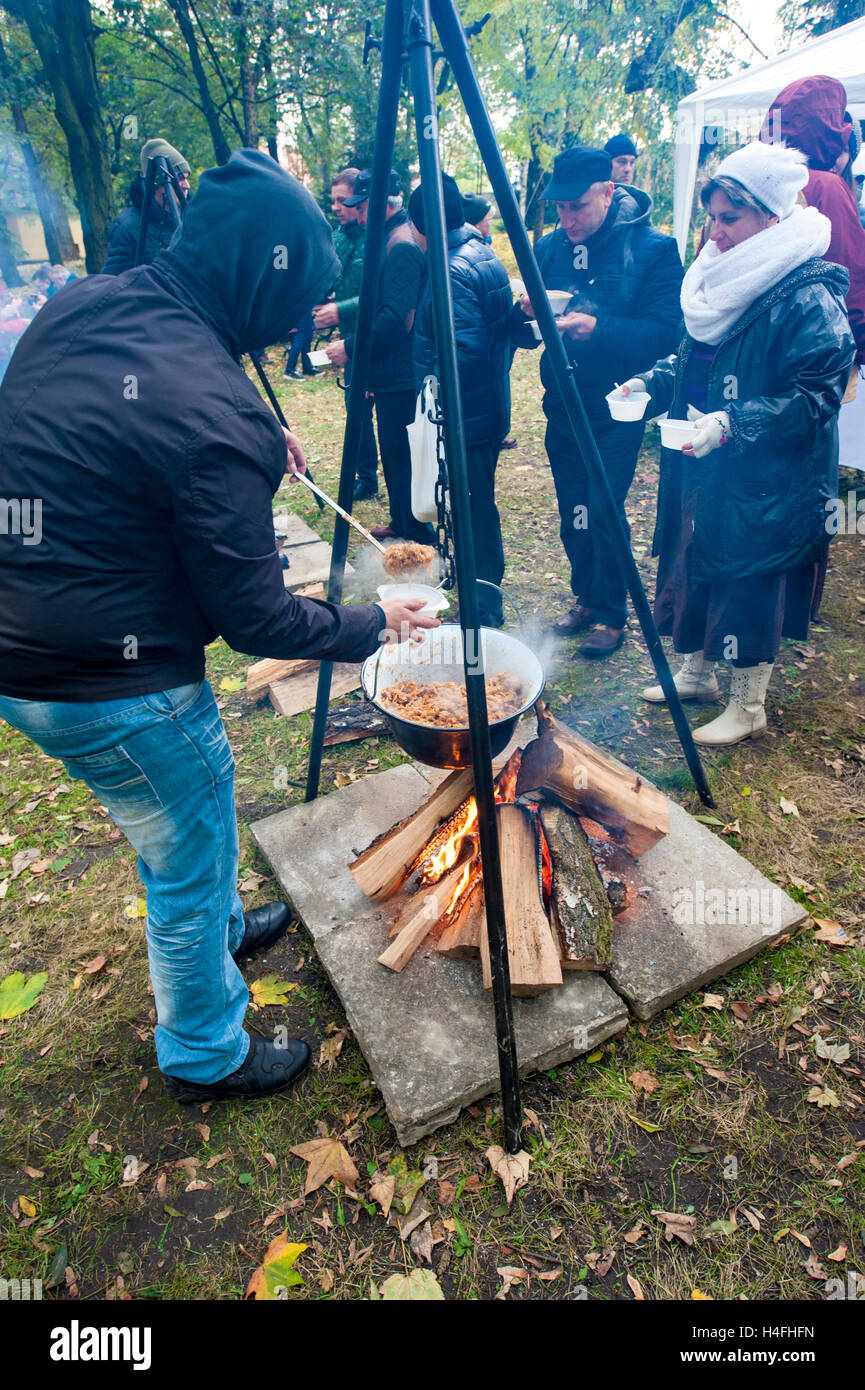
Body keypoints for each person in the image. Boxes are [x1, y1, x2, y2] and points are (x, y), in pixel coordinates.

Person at [0, 150, 437, 1103]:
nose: (293, 325)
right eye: (297, 301)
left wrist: (238, 435)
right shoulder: (212, 408)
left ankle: (221, 925)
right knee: (185, 856)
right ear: (260, 271)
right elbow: (253, 617)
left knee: (180, 829)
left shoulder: (88, 302)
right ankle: (204, 1049)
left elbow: (109, 433)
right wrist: (373, 622)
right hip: (112, 683)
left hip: (19, 643)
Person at [610, 141, 855, 746]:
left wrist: (732, 422)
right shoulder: (721, 274)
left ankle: (749, 705)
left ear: (772, 216)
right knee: (696, 557)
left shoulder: (805, 291)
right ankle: (698, 672)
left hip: (766, 470)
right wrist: (653, 379)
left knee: (749, 576)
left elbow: (817, 397)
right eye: (712, 217)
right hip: (704, 454)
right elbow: (696, 354)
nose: (715, 233)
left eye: (730, 218)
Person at [513, 144, 683, 657]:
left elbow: (667, 335)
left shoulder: (653, 250)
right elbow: (525, 334)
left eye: (579, 206)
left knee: (603, 507)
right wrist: (526, 314)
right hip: (562, 402)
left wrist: (599, 329)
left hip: (618, 405)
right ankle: (587, 596)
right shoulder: (549, 249)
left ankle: (612, 613)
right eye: (560, 208)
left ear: (609, 191)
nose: (568, 219)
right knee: (573, 509)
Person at [411, 175, 513, 626]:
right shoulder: (481, 252)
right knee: (476, 504)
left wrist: (431, 385)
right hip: (484, 407)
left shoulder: (450, 268)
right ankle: (477, 593)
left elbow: (463, 352)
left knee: (473, 509)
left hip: (465, 415)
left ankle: (484, 608)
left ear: (421, 225)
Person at [326, 169, 433, 544]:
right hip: (387, 373)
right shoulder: (388, 236)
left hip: (401, 375)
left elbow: (394, 321)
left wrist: (350, 348)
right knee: (393, 454)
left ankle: (418, 534)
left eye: (359, 204)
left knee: (402, 458)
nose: (354, 211)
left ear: (377, 204)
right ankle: (402, 522)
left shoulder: (400, 245)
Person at [312, 167, 379, 499]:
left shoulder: (377, 237)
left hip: (380, 337)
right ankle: (366, 477)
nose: (336, 207)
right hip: (351, 340)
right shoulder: (338, 235)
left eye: (342, 201)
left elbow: (378, 293)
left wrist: (340, 309)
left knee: (394, 412)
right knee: (357, 410)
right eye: (333, 201)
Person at [103, 138, 191, 275]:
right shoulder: (127, 227)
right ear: (158, 182)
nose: (187, 185)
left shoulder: (192, 218)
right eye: (180, 178)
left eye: (187, 178)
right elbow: (115, 285)